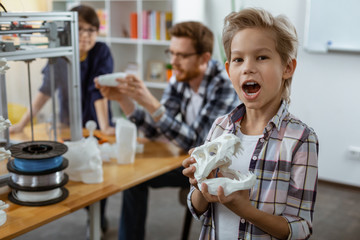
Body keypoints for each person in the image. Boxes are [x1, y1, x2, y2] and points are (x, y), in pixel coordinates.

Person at [182, 8, 319, 240]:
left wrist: (245, 210)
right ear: (229, 70)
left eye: (261, 57)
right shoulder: (219, 127)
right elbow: (196, 208)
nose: (247, 67)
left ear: (287, 67)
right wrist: (200, 183)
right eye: (238, 59)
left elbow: (300, 229)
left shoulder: (301, 139)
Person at [95, 21, 240, 240]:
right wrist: (126, 102)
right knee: (134, 179)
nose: (173, 62)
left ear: (204, 58)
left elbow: (200, 143)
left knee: (138, 176)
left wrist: (152, 104)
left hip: (216, 167)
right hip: (189, 160)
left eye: (181, 55)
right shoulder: (181, 77)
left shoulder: (224, 85)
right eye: (171, 53)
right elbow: (156, 129)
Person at [9, 5, 114, 235]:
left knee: (97, 172)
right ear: (69, 31)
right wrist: (23, 124)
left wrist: (105, 127)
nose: (86, 35)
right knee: (74, 168)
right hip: (69, 122)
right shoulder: (60, 54)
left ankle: (97, 219)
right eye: (81, 29)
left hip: (97, 121)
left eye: (92, 30)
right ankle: (91, 214)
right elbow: (45, 91)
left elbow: (99, 91)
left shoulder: (101, 51)